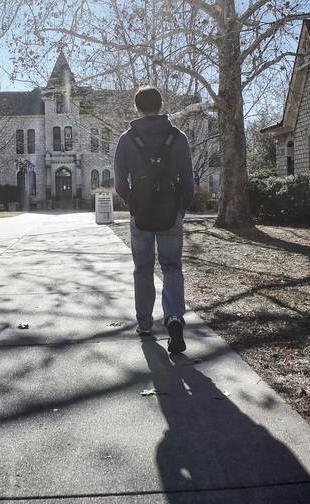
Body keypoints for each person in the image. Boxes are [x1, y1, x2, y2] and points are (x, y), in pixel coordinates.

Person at [114, 86, 194, 353]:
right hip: (171, 211)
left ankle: (145, 323)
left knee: (143, 269)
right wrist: (180, 209)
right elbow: (188, 182)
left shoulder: (127, 139)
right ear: (161, 105)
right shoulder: (178, 137)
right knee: (172, 267)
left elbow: (120, 183)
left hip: (142, 214)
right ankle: (173, 318)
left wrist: (133, 205)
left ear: (137, 107)